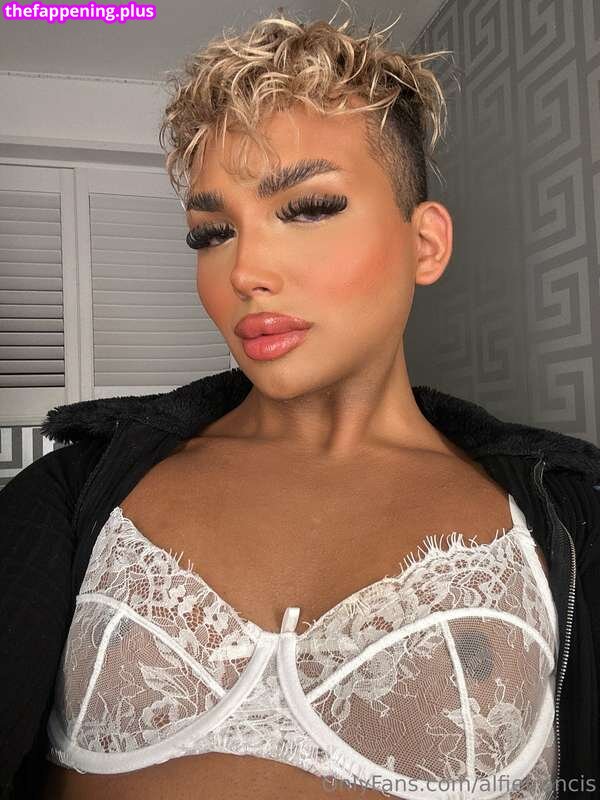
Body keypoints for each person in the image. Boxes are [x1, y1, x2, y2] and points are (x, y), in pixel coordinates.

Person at [1, 4, 599, 799]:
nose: (245, 270)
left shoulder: (570, 519)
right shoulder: (72, 493)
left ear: (425, 243)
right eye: (212, 232)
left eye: (308, 208)